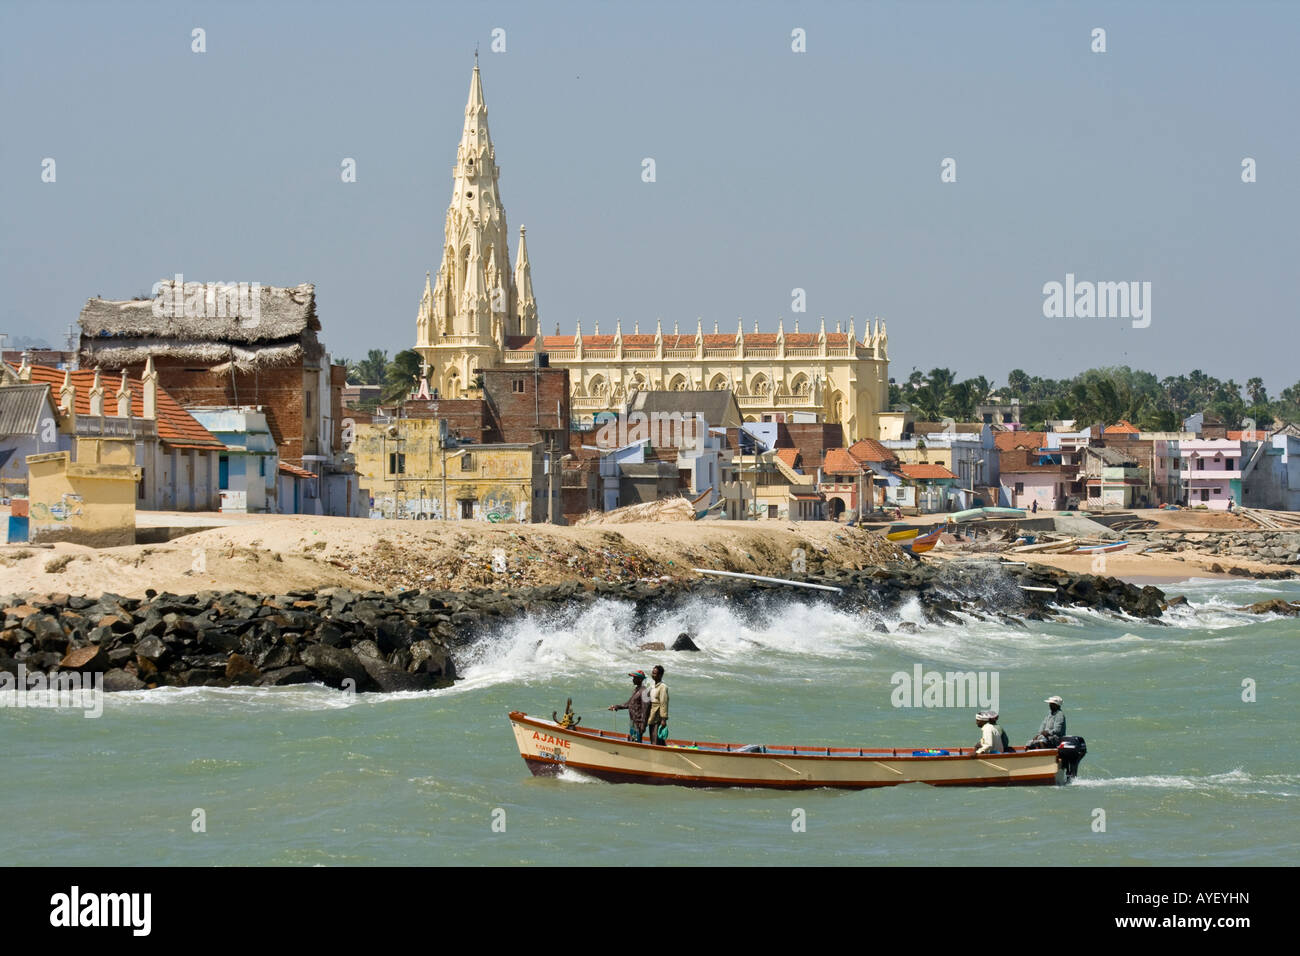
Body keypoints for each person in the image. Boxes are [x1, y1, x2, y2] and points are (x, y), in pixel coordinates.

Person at [608, 670, 650, 742]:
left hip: (638, 723)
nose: (633, 679)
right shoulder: (636, 690)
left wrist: (643, 724)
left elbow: (646, 709)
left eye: (634, 678)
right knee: (633, 740)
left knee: (637, 742)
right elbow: (629, 704)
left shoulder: (644, 691)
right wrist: (616, 706)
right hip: (633, 721)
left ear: (640, 679)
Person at [646, 664, 669, 745]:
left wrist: (663, 719)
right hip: (651, 714)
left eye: (655, 673)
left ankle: (656, 752)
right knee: (652, 736)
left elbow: (664, 703)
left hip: (658, 715)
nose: (653, 675)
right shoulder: (652, 686)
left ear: (660, 675)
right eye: (652, 673)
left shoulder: (663, 687)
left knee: (656, 737)